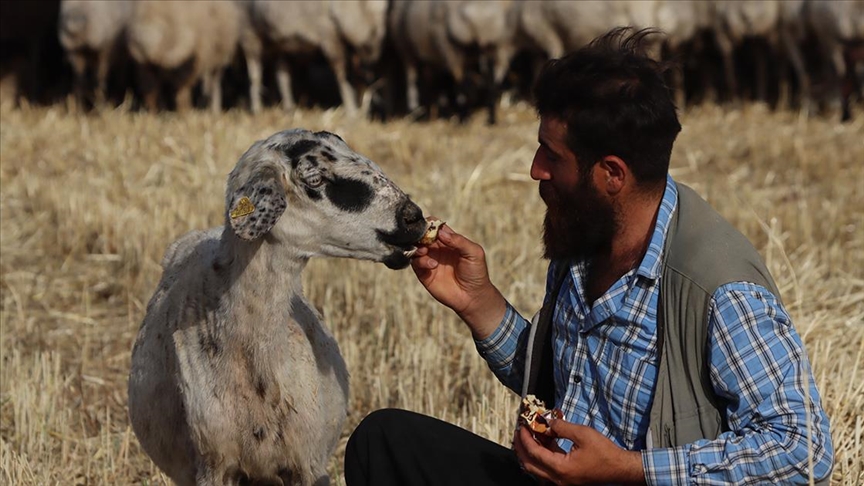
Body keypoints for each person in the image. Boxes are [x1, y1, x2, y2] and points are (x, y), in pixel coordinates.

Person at [343, 28, 834, 485]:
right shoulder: (584, 234)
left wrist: (630, 470)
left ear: (611, 174)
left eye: (551, 155)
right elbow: (566, 379)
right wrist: (479, 303)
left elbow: (803, 448)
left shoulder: (719, 287)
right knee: (384, 441)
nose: (535, 170)